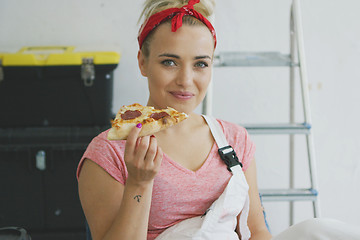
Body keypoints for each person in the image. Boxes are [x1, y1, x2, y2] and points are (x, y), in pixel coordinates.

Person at [77, 1, 360, 240]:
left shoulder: (234, 140)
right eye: (169, 62)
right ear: (142, 62)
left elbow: (256, 230)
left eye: (200, 63)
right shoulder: (108, 153)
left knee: (319, 229)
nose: (186, 80)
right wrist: (139, 183)